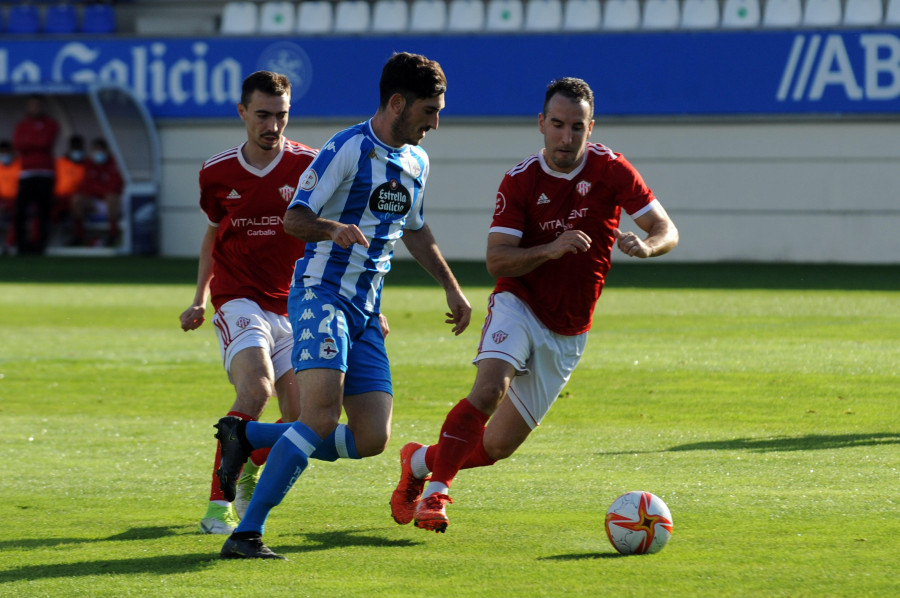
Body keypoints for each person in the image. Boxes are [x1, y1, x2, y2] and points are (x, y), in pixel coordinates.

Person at [389, 77, 680, 533]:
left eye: (577, 127)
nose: (567, 138)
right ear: (541, 124)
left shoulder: (612, 169)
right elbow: (496, 259)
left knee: (498, 446)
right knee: (489, 390)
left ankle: (421, 461)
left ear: (591, 127)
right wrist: (550, 249)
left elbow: (667, 229)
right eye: (559, 125)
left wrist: (647, 246)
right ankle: (436, 494)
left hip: (569, 328)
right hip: (519, 302)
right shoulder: (521, 180)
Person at [214, 51, 473, 560]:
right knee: (319, 419)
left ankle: (248, 437)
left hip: (365, 312)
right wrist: (333, 228)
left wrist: (452, 287)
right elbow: (295, 218)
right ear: (397, 103)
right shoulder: (347, 149)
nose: (435, 123)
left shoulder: (417, 161)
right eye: (428, 111)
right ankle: (247, 532)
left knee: (373, 437)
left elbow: (415, 230)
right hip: (320, 294)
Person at [180, 71, 321, 534]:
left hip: (293, 305)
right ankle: (217, 509)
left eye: (281, 116)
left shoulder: (311, 166)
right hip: (237, 298)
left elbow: (332, 237)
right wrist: (199, 298)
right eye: (262, 115)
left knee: (305, 421)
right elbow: (213, 234)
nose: (272, 126)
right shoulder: (216, 172)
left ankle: (247, 460)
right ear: (242, 113)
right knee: (256, 390)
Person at [13, 94, 60, 254]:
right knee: (21, 210)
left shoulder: (51, 124)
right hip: (26, 173)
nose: (35, 108)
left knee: (43, 211)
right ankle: (21, 245)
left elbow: (46, 142)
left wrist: (30, 142)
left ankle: (41, 245)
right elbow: (18, 144)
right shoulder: (22, 125)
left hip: (45, 173)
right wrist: (35, 142)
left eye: (37, 105)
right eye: (32, 105)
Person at [69, 138, 123, 247]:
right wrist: (100, 189)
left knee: (111, 197)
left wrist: (98, 189)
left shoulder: (114, 163)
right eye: (95, 150)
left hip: (111, 202)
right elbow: (86, 187)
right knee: (77, 199)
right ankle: (79, 236)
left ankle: (113, 234)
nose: (97, 153)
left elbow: (115, 186)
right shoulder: (89, 163)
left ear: (106, 151)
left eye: (100, 150)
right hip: (95, 202)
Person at [53, 135, 87, 227]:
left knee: (77, 201)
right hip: (58, 198)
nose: (77, 151)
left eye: (79, 148)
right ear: (70, 148)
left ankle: (79, 234)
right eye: (74, 148)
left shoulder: (87, 165)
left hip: (76, 199)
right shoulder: (59, 162)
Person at [0, 140, 22, 253]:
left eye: (6, 152)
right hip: (2, 201)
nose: (4, 155)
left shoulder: (20, 166)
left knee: (18, 214)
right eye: (2, 153)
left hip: (17, 201)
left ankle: (8, 244)